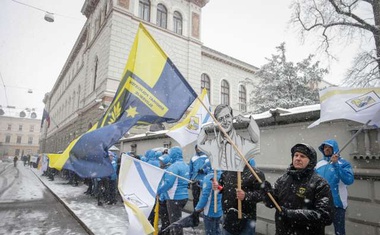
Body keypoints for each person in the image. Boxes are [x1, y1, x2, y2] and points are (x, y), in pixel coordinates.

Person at [262, 143, 334, 235]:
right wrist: (267, 194)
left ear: (310, 161)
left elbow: (325, 216)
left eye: (302, 156)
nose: (298, 158)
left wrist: (290, 214)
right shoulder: (283, 179)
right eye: (296, 155)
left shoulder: (320, 183)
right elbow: (272, 204)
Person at [197, 104, 260, 171]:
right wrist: (204, 130)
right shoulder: (213, 145)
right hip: (222, 179)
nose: (225, 121)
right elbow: (200, 145)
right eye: (220, 119)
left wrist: (248, 122)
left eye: (227, 116)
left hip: (239, 180)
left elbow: (256, 140)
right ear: (216, 122)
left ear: (232, 117)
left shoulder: (242, 143)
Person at [212, 164, 265, 235]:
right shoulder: (227, 172)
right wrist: (217, 187)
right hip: (228, 217)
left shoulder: (255, 173)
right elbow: (223, 188)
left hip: (246, 218)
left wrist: (246, 195)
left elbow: (263, 194)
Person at [316, 139, 354, 235]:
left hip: (338, 204)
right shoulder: (318, 164)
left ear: (335, 149)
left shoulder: (344, 163)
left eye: (329, 147)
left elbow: (349, 180)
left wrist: (336, 164)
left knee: (339, 231)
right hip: (321, 203)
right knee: (317, 229)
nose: (326, 149)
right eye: (325, 147)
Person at [157, 146, 189, 235]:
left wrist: (158, 191)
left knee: (175, 223)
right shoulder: (186, 165)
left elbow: (168, 183)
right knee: (177, 220)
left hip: (174, 197)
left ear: (173, 154)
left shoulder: (174, 167)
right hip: (184, 196)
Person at [194, 169, 223, 235]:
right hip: (219, 210)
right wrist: (201, 183)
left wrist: (197, 209)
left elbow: (205, 196)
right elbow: (217, 188)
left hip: (209, 211)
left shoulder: (209, 177)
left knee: (210, 232)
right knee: (217, 230)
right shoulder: (222, 175)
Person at [189, 144, 211, 209]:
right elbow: (190, 170)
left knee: (205, 197)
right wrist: (189, 180)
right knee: (195, 198)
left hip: (205, 180)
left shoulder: (207, 157)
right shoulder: (193, 158)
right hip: (195, 180)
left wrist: (204, 170)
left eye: (199, 148)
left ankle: (205, 212)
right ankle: (195, 213)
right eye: (196, 148)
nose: (198, 150)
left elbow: (211, 168)